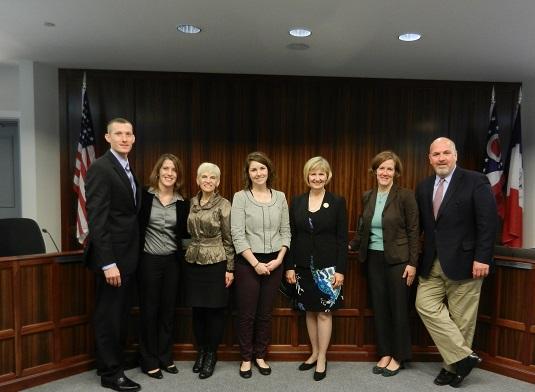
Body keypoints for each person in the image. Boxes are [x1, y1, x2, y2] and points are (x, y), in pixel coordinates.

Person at [415, 137, 497, 388]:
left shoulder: (475, 180)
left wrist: (482, 257)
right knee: (424, 304)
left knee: (462, 319)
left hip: (466, 261)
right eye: (436, 154)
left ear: (455, 156)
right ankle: (464, 357)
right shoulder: (423, 186)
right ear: (429, 159)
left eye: (446, 153)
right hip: (431, 262)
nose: (441, 158)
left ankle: (452, 368)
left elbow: (488, 222)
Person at [349, 151, 419, 377]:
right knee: (379, 309)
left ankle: (399, 356)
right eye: (381, 168)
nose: (385, 172)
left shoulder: (405, 196)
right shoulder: (368, 195)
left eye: (389, 168)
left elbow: (414, 232)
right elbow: (363, 228)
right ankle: (386, 353)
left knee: (398, 309)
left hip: (399, 261)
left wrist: (413, 263)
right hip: (373, 259)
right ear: (374, 171)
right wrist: (350, 246)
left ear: (396, 172)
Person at [84, 118, 142, 391]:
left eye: (128, 134)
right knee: (109, 316)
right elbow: (97, 220)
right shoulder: (100, 168)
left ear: (133, 138)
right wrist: (108, 263)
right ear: (107, 138)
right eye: (118, 133)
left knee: (120, 314)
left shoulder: (127, 168)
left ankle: (112, 360)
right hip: (113, 260)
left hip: (128, 256)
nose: (124, 138)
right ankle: (110, 374)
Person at [285, 156, 347, 381]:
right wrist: (290, 266)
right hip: (302, 267)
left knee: (324, 313)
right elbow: (290, 236)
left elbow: (342, 239)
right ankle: (313, 352)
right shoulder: (297, 202)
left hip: (328, 268)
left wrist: (341, 270)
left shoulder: (337, 202)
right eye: (313, 174)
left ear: (327, 176)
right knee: (309, 311)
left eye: (321, 174)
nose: (317, 178)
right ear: (307, 176)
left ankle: (322, 357)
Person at [231, 151, 291, 378]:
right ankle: (246, 358)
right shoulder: (240, 197)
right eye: (253, 169)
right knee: (247, 313)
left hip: (275, 261)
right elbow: (237, 234)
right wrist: (255, 263)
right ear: (248, 173)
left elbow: (286, 231)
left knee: (266, 313)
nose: (258, 173)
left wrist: (279, 259)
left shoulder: (281, 197)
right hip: (248, 263)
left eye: (262, 168)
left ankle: (260, 355)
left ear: (269, 170)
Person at [138, 154, 189, 379]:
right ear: (158, 171)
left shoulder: (182, 202)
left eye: (174, 170)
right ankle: (149, 360)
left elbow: (185, 237)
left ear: (177, 175)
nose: (169, 173)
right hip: (148, 260)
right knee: (150, 311)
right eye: (165, 169)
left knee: (168, 311)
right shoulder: (144, 196)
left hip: (172, 263)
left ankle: (165, 357)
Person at [184, 162, 235, 379]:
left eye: (212, 177)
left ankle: (211, 355)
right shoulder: (191, 203)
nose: (207, 180)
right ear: (197, 180)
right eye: (203, 176)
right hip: (193, 262)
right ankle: (201, 351)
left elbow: (229, 238)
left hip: (217, 262)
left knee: (214, 311)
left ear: (218, 182)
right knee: (198, 311)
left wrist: (230, 268)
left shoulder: (224, 204)